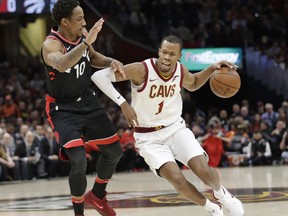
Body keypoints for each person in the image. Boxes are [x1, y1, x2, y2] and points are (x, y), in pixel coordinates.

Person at [92, 35, 244, 216]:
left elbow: (194, 83)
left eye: (172, 54)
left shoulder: (180, 70)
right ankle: (212, 209)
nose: (166, 57)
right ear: (159, 52)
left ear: (179, 56)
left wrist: (211, 68)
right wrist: (123, 103)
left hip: (175, 129)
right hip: (148, 137)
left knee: (203, 170)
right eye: (164, 52)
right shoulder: (141, 70)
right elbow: (98, 76)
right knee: (177, 179)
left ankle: (222, 195)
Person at [41, 0, 135, 215]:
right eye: (79, 19)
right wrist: (85, 44)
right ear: (65, 22)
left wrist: (111, 61)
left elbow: (92, 57)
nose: (84, 22)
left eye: (84, 17)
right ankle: (79, 213)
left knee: (114, 151)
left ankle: (98, 195)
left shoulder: (81, 36)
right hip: (62, 109)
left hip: (87, 100)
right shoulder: (51, 44)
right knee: (79, 160)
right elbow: (62, 64)